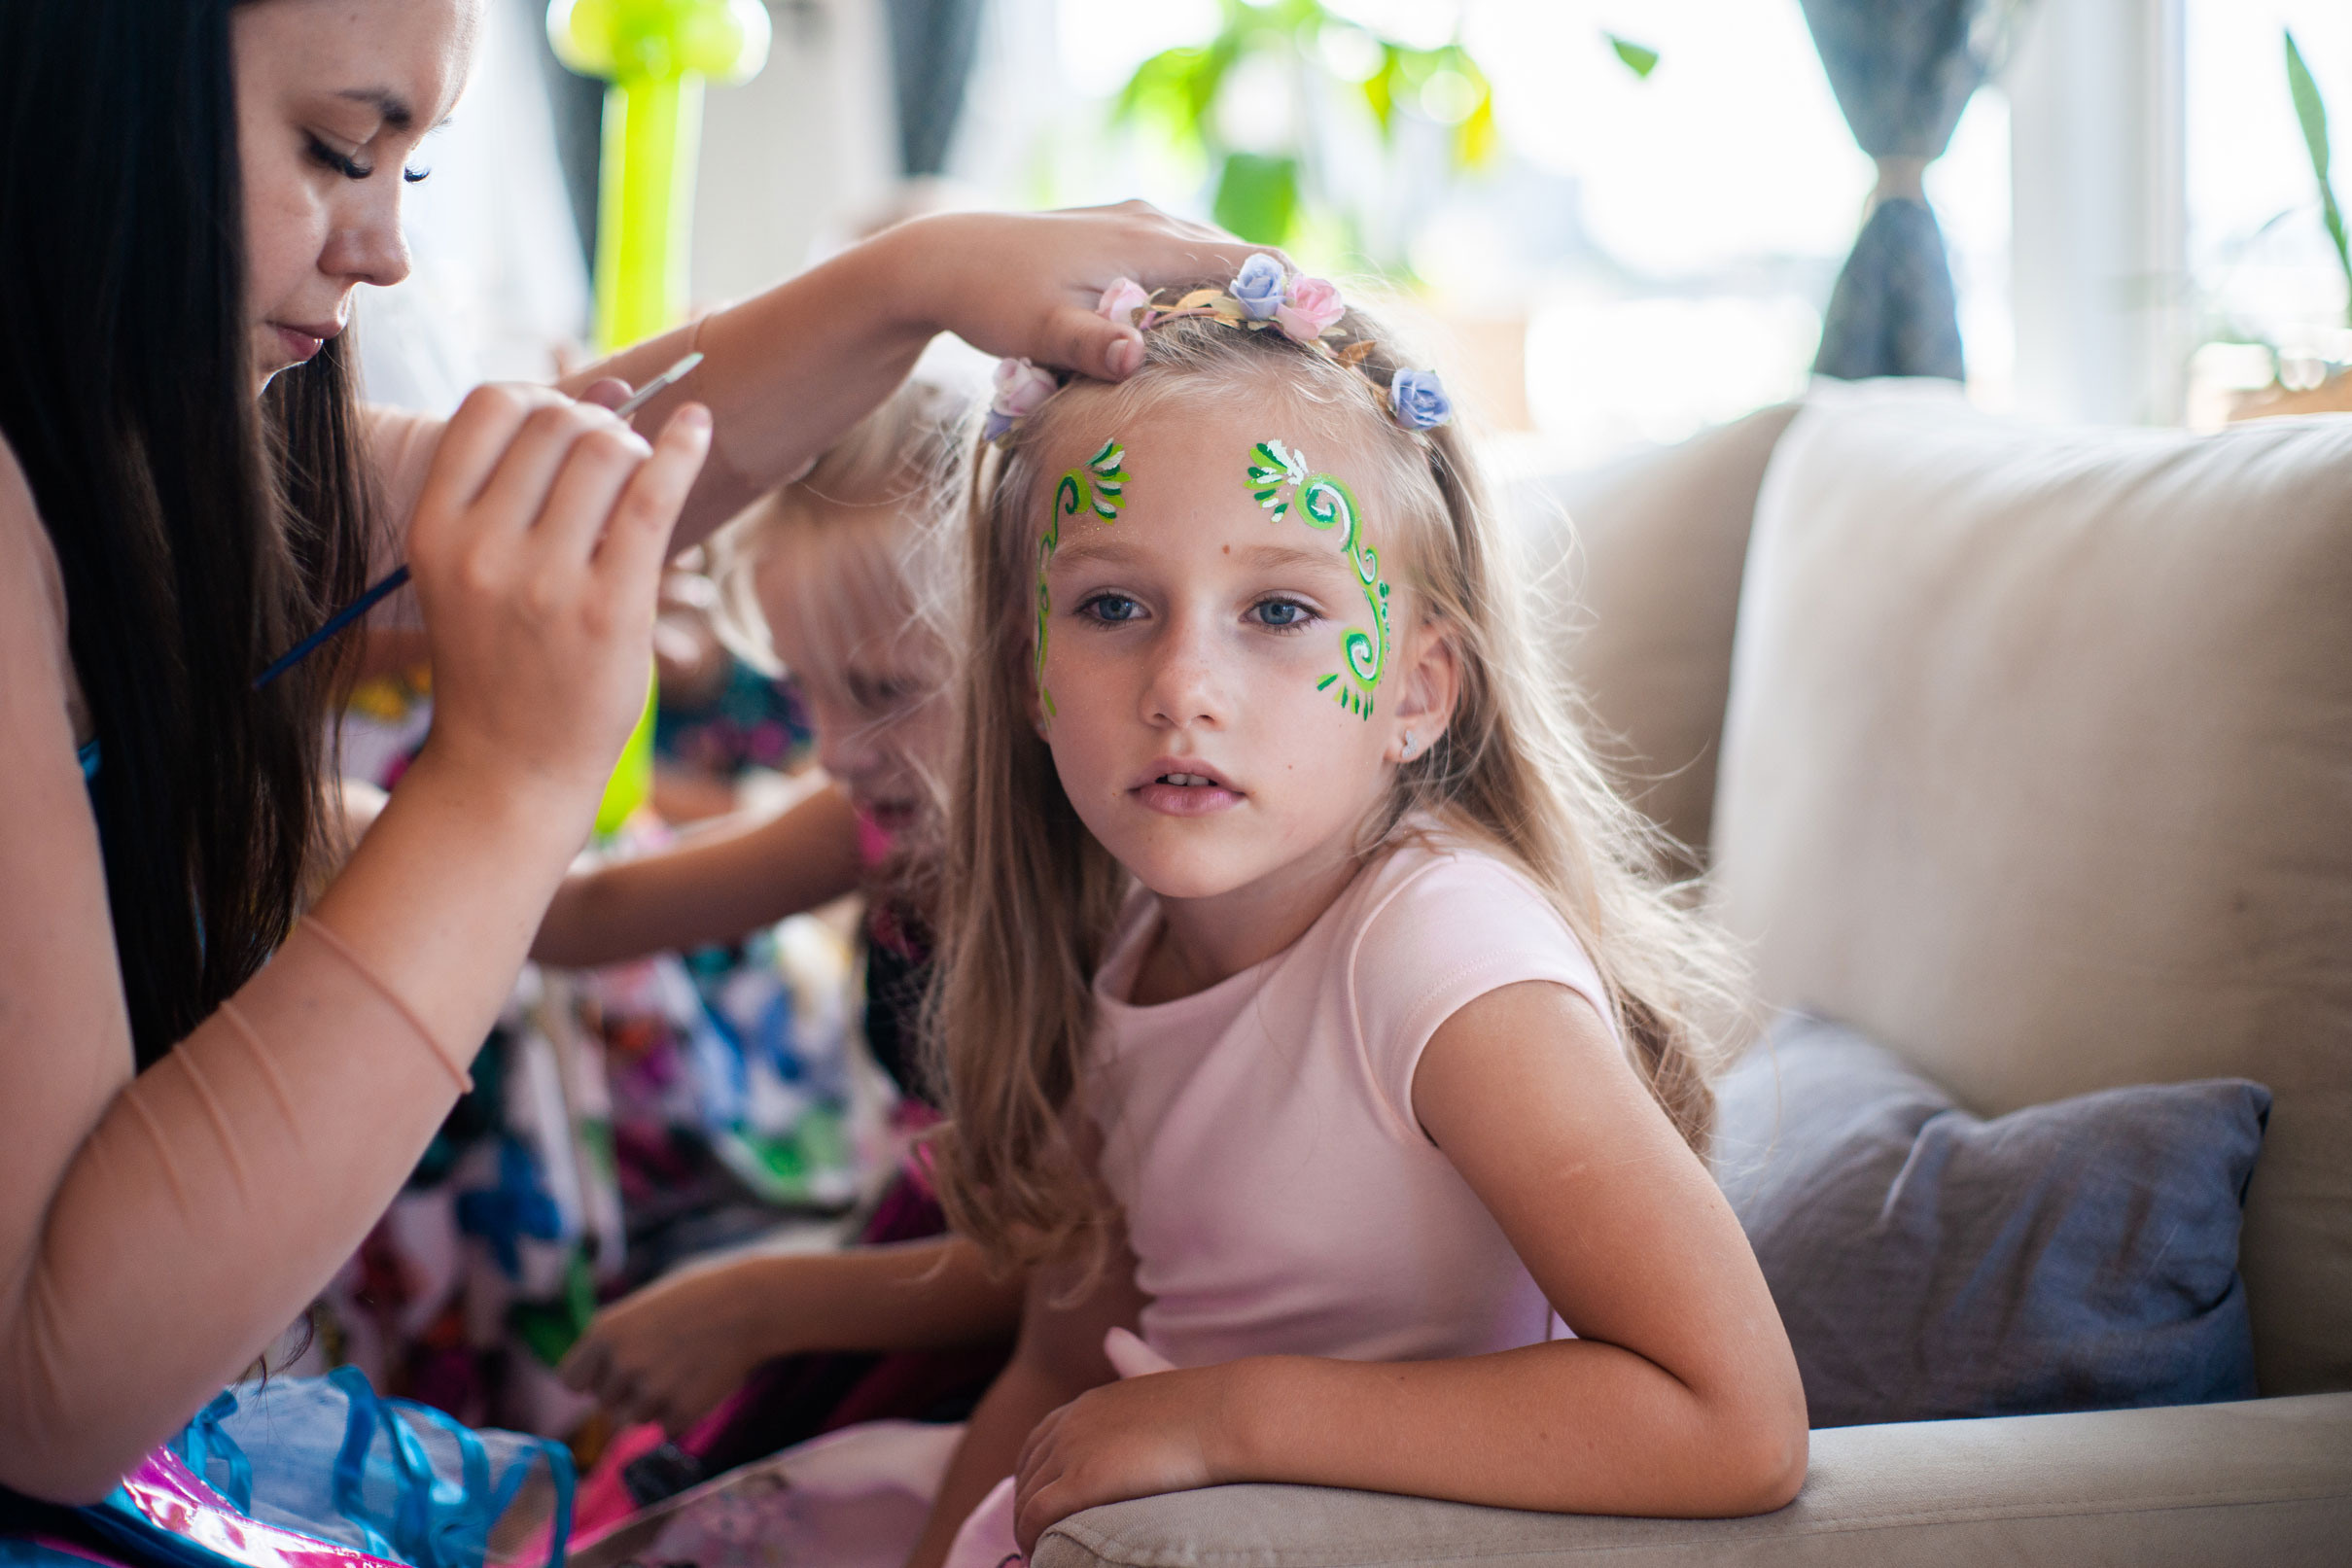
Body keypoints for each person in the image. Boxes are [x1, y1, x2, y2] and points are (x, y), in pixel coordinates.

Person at [0, 0, 1265, 1506]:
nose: (385, 251)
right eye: (338, 148)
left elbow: (573, 482)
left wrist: (911, 281)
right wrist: (505, 779)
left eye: (408, 169)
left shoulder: (112, 458)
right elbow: (52, 1394)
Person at [904, 263, 1808, 1567]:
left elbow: (1734, 1421)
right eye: (1111, 606)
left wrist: (1226, 1414)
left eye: (1278, 610)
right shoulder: (1131, 945)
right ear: (1028, 667)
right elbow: (1055, 1368)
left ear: (1416, 690)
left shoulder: (1444, 954)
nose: (1181, 686)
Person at [538, 381, 1023, 1485]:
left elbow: (1080, 1271)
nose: (837, 750)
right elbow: (587, 913)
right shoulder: (871, 817)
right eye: (807, 690)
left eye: (884, 689)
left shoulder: (1128, 901)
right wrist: (328, 822)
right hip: (901, 1260)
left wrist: (761, 1304)